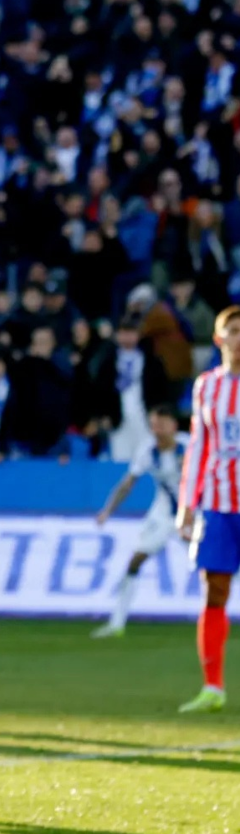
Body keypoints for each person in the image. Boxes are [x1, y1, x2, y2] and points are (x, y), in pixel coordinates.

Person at [177, 306, 240, 714]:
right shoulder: (206, 387)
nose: (239, 337)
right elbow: (198, 446)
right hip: (218, 504)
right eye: (233, 331)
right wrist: (187, 503)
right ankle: (212, 687)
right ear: (219, 339)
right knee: (213, 593)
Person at [92, 405, 187, 638]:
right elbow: (127, 484)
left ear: (173, 426)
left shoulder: (191, 446)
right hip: (163, 513)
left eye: (162, 424)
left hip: (194, 514)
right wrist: (107, 511)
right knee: (136, 560)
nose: (157, 429)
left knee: (217, 566)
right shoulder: (147, 450)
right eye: (154, 424)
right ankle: (116, 623)